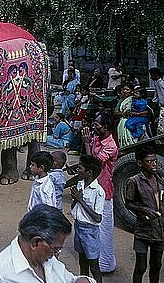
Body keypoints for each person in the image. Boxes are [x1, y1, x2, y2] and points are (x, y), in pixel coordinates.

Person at [0, 204, 95, 283]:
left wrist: (83, 280)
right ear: (35, 242)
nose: (57, 254)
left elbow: (69, 279)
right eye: (56, 249)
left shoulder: (46, 257)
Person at [81, 112, 118, 273]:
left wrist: (87, 144)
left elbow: (93, 166)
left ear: (106, 127)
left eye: (97, 124)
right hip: (93, 188)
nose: (94, 126)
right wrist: (88, 142)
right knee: (92, 226)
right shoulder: (97, 139)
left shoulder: (111, 146)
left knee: (104, 230)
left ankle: (106, 265)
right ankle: (96, 261)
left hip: (104, 190)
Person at [124, 147, 164, 283]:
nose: (154, 164)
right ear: (140, 163)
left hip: (160, 231)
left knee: (156, 265)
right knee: (140, 267)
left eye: (155, 160)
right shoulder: (134, 181)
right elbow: (128, 203)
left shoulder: (160, 179)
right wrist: (143, 210)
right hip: (143, 231)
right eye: (149, 161)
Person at [71, 155, 104, 283]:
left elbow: (97, 218)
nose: (77, 170)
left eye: (80, 168)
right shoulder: (80, 184)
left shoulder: (98, 191)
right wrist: (76, 199)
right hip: (78, 226)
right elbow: (74, 206)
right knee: (82, 262)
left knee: (94, 266)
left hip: (90, 231)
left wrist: (80, 200)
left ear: (89, 172)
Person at [114, 83, 136, 147]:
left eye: (127, 89)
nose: (125, 91)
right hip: (123, 122)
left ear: (132, 91)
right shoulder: (122, 101)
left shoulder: (135, 99)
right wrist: (123, 114)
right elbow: (115, 113)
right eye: (124, 89)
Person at [149, 67, 164, 136]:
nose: (151, 77)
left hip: (161, 106)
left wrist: (160, 105)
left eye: (151, 75)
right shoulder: (158, 83)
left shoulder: (160, 83)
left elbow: (161, 95)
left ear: (155, 75)